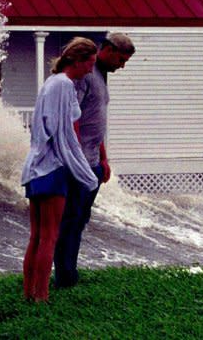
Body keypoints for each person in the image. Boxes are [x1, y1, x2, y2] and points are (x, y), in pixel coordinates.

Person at [54, 32, 135, 288]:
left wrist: (103, 158)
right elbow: (73, 116)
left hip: (93, 161)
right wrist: (77, 158)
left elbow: (95, 120)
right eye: (121, 60)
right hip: (79, 163)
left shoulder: (101, 75)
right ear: (108, 49)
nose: (121, 66)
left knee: (80, 219)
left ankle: (70, 271)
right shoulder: (86, 74)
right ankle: (65, 276)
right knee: (71, 220)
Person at [21, 37, 100, 303]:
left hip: (34, 166)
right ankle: (41, 296)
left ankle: (29, 293)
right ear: (76, 61)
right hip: (53, 167)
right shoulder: (65, 85)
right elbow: (64, 134)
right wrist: (85, 173)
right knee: (50, 236)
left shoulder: (49, 83)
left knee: (37, 235)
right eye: (89, 63)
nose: (91, 69)